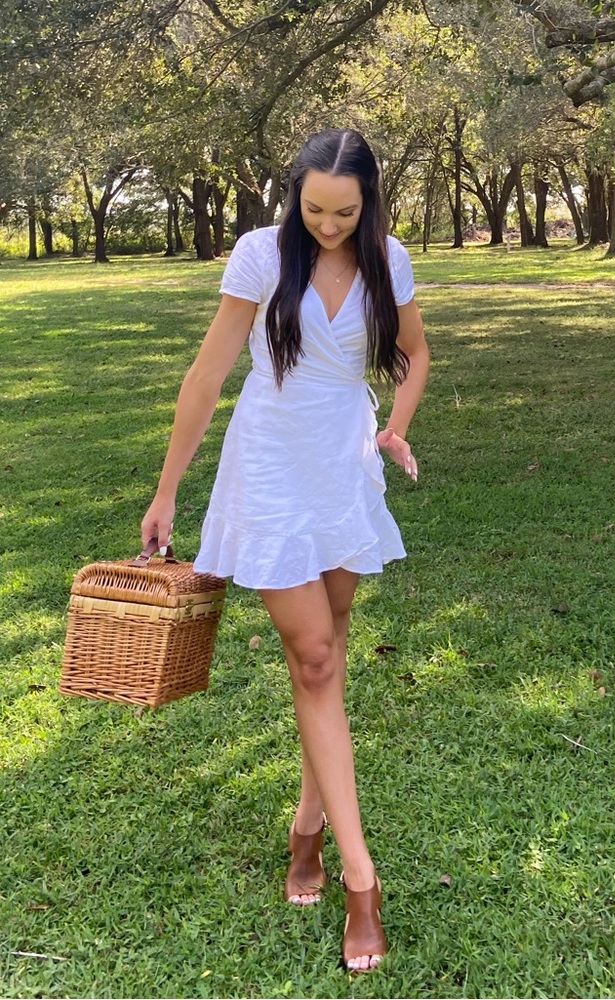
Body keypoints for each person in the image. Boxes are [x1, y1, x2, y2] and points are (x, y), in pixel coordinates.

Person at [141, 127, 429, 972]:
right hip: (269, 465)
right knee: (314, 658)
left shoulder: (389, 259)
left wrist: (394, 428)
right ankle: (361, 879)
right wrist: (167, 490)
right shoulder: (261, 256)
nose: (329, 226)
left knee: (327, 656)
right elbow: (206, 376)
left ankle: (307, 828)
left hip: (342, 464)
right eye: (315, 210)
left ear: (369, 203)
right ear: (294, 195)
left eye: (346, 212)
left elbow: (416, 355)